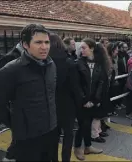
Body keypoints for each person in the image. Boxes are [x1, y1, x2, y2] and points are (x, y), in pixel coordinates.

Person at [0, 24, 57, 161]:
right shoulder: (10, 70)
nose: (44, 47)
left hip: (51, 131)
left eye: (47, 42)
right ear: (25, 44)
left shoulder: (51, 65)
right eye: (38, 42)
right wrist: (17, 124)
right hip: (27, 138)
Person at [49, 33, 82, 162]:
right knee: (68, 135)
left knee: (53, 136)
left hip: (51, 105)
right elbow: (75, 87)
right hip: (68, 106)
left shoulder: (45, 62)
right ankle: (65, 159)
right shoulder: (69, 63)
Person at [74, 38, 106, 160]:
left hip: (92, 102)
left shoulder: (99, 64)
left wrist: (94, 101)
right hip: (81, 102)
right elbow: (76, 84)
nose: (81, 50)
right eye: (80, 47)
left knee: (87, 124)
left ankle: (88, 146)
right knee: (83, 125)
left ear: (91, 48)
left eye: (84, 47)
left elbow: (101, 83)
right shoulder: (78, 63)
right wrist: (84, 100)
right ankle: (77, 147)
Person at [0, 41, 24, 161]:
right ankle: (9, 158)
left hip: (26, 106)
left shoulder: (26, 57)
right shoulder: (9, 58)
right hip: (16, 106)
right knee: (20, 137)